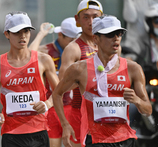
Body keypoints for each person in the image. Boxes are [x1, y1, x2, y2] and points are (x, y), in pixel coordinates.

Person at [52, 15, 152, 147]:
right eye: (110, 34)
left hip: (126, 140)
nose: (116, 38)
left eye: (119, 33)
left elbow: (148, 110)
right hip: (95, 140)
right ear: (96, 38)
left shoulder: (133, 68)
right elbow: (57, 94)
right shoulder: (79, 69)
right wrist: (65, 124)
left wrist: (137, 100)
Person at [0, 11, 59, 147]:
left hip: (39, 131)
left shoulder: (43, 60)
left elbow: (59, 90)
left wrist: (47, 104)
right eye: (17, 32)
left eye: (26, 31)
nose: (23, 36)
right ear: (6, 34)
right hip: (11, 134)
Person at [57, 0, 103, 146]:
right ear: (77, 20)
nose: (91, 22)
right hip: (80, 115)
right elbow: (61, 86)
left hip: (107, 114)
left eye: (95, 17)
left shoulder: (112, 46)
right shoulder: (74, 48)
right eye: (86, 17)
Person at [30, 17, 82, 147]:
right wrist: (41, 34)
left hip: (73, 106)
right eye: (71, 40)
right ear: (60, 35)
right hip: (51, 106)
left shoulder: (80, 51)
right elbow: (29, 56)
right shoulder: (46, 51)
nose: (74, 43)